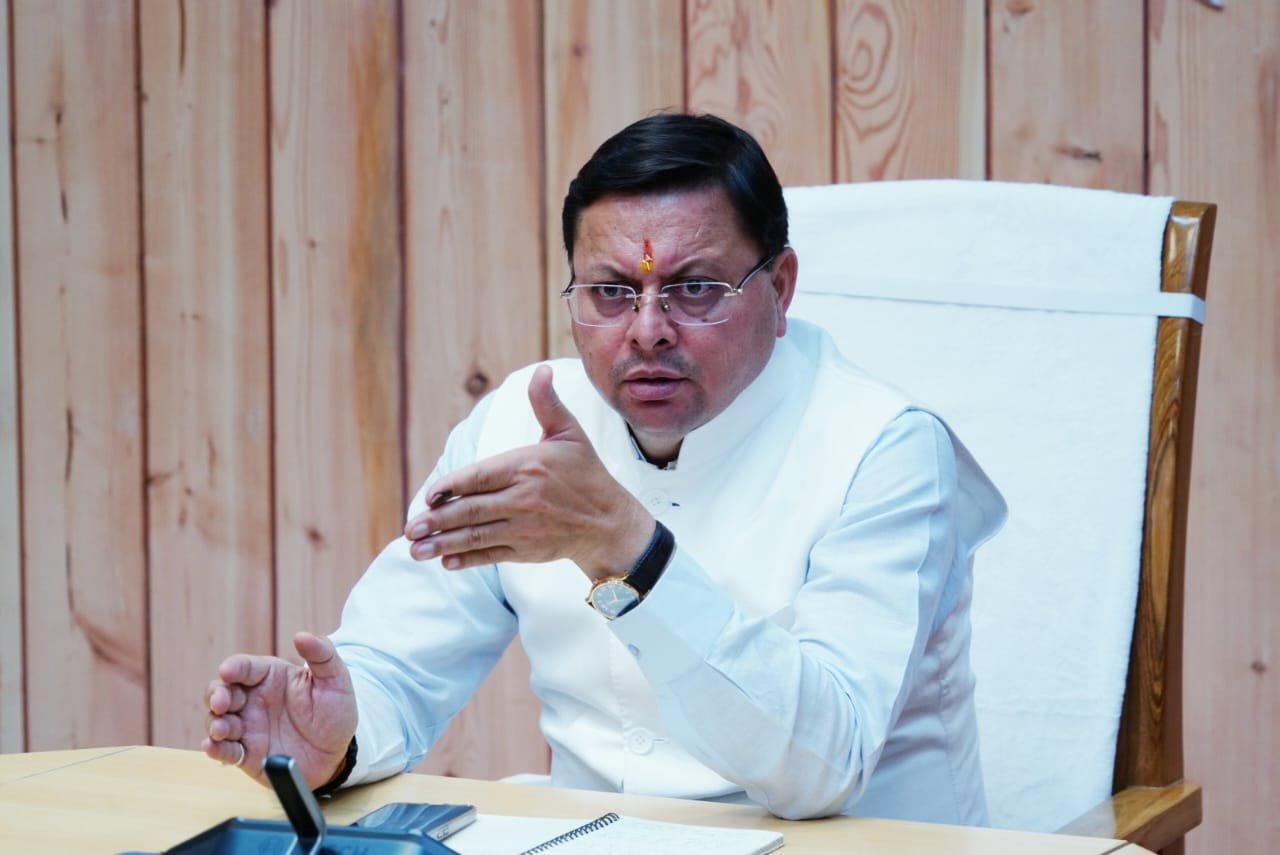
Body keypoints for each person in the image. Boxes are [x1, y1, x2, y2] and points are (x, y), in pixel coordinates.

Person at [203, 112, 1006, 824]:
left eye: (695, 288)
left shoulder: (884, 449)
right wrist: (342, 736)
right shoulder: (521, 422)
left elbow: (824, 767)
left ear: (781, 286)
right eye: (612, 292)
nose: (648, 329)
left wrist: (626, 545)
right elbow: (396, 663)